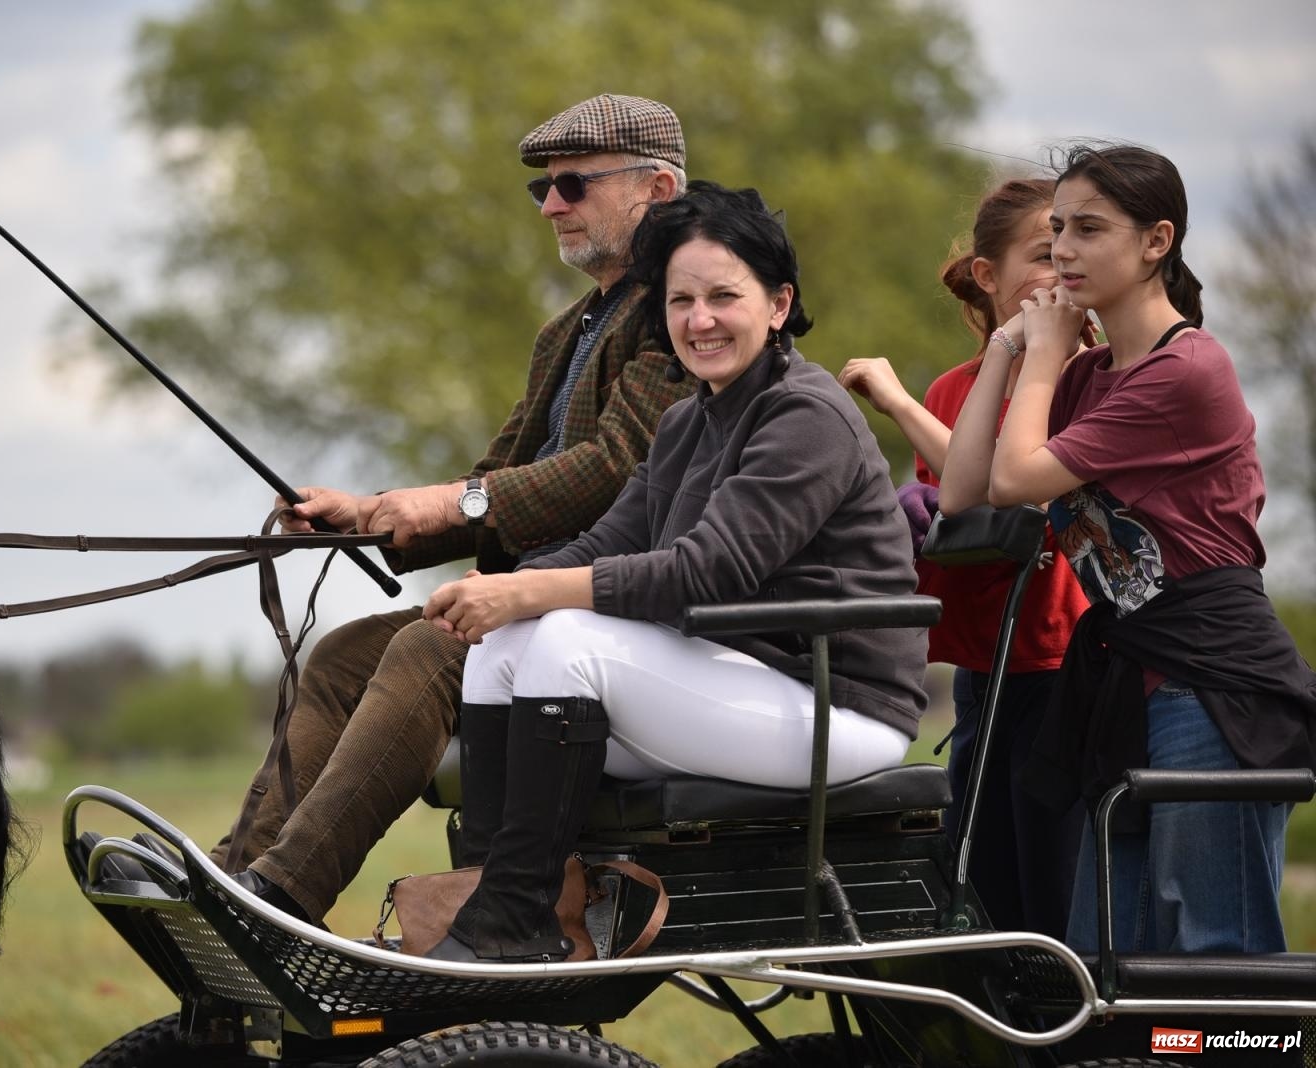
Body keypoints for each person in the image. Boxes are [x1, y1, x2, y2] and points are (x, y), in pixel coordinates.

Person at [205, 94, 696, 926]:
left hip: (618, 609)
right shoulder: (566, 331)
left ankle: (282, 897)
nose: (549, 205)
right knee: (340, 658)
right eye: (540, 189)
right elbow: (496, 477)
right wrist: (365, 512)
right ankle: (231, 875)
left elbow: (616, 468)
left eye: (573, 184)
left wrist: (446, 503)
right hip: (527, 606)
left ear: (656, 187)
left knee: (428, 652)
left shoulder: (686, 314)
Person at [419, 181, 929, 963]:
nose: (699, 320)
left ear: (779, 303)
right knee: (508, 643)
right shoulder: (689, 419)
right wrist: (493, 596)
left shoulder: (806, 415)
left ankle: (509, 923)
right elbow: (604, 543)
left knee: (565, 640)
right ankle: (497, 899)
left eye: (724, 296)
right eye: (680, 300)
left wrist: (529, 591)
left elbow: (710, 571)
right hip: (737, 681)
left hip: (837, 706)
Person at [939, 143, 1316, 954]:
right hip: (1126, 689)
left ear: (1156, 242)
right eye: (1058, 229)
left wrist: (1043, 351)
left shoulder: (1185, 371)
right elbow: (963, 492)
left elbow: (1015, 481)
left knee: (1216, 951)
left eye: (1089, 229)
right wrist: (1009, 346)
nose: (1065, 249)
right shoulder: (1092, 376)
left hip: (1210, 687)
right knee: (1115, 962)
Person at [837, 178, 1088, 936]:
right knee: (977, 877)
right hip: (986, 670)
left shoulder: (1091, 376)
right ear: (989, 275)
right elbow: (955, 519)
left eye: (1074, 249)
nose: (1065, 268)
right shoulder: (956, 389)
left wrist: (897, 404)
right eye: (1045, 254)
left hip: (1067, 668)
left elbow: (1006, 497)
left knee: (1055, 877)